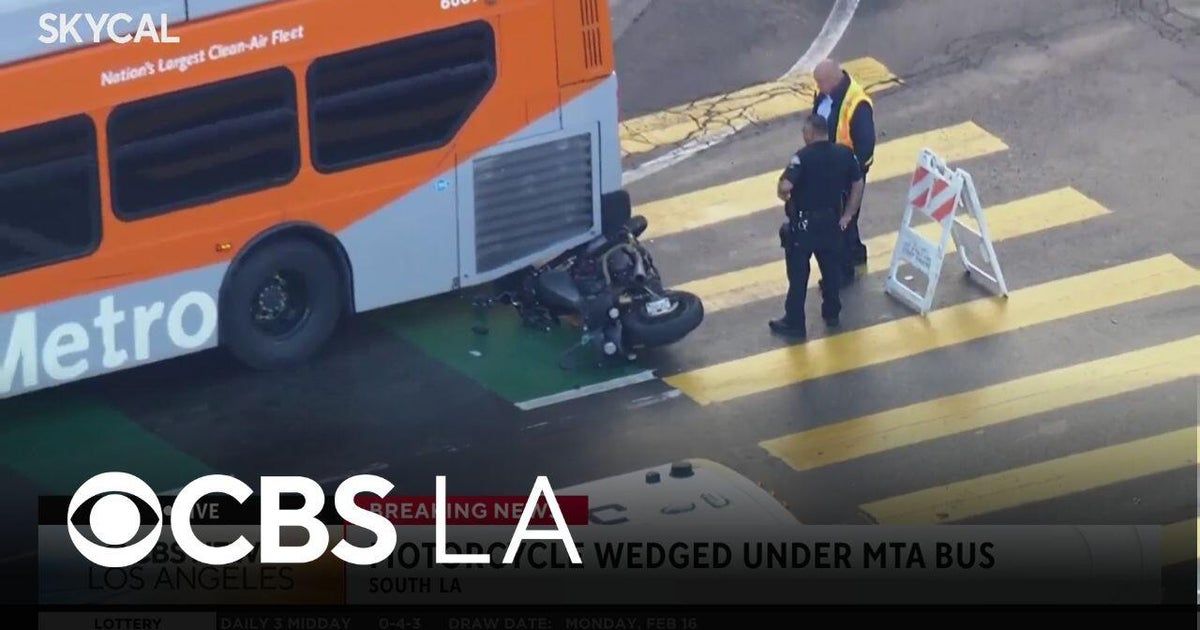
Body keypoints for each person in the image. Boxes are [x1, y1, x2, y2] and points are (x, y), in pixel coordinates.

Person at [770, 113, 864, 339]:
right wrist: (848, 214)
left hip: (804, 224)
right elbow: (858, 182)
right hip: (832, 220)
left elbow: (786, 185)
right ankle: (832, 313)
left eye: (804, 132)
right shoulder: (844, 154)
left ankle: (794, 321)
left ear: (810, 133)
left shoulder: (802, 157)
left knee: (799, 274)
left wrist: (784, 195)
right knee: (830, 269)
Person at [812, 58, 876, 285]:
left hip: (847, 176)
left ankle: (842, 273)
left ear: (832, 80)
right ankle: (856, 255)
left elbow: (866, 146)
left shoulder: (857, 103)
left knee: (841, 222)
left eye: (821, 83)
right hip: (829, 170)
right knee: (845, 223)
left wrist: (852, 175)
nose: (818, 88)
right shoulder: (825, 95)